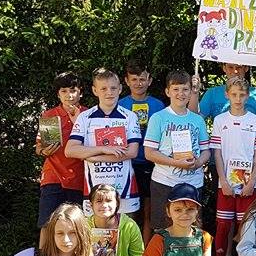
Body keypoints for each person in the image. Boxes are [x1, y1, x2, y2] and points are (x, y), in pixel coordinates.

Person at [210, 76, 256, 256]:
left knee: (246, 227)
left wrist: (252, 181)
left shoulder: (255, 121)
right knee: (223, 227)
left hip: (248, 185)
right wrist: (223, 181)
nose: (238, 98)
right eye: (234, 94)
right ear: (227, 95)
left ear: (248, 96)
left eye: (242, 95)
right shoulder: (219, 120)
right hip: (225, 184)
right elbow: (217, 154)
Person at [65, 67, 142, 215]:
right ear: (95, 90)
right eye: (104, 88)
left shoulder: (130, 117)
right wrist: (103, 149)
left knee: (125, 229)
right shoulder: (85, 117)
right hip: (94, 189)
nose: (109, 92)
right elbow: (70, 150)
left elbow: (132, 152)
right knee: (96, 229)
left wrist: (93, 157)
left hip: (124, 190)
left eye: (113, 88)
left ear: (120, 89)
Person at [144, 71, 211, 232]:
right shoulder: (158, 118)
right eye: (176, 89)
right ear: (168, 92)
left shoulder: (198, 120)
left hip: (193, 183)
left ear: (191, 92)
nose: (181, 93)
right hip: (165, 182)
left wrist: (198, 163)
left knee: (192, 229)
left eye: (185, 89)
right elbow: (149, 153)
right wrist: (175, 163)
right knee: (163, 230)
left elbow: (206, 151)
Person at [118, 59, 166, 244]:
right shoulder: (119, 105)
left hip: (151, 164)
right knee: (127, 212)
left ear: (149, 81)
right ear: (127, 81)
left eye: (142, 79)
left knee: (148, 211)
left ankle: (145, 254)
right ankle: (127, 250)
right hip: (125, 164)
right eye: (134, 79)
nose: (138, 83)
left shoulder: (158, 105)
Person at [35, 71, 87, 227]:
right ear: (58, 94)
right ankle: (44, 246)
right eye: (64, 91)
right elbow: (39, 147)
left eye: (73, 90)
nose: (69, 95)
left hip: (81, 178)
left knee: (77, 225)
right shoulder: (51, 115)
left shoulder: (88, 114)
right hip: (54, 176)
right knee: (47, 224)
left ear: (80, 92)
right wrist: (44, 151)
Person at [190, 62, 256, 152]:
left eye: (239, 67)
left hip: (250, 156)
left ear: (246, 68)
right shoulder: (212, 93)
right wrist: (194, 94)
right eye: (230, 67)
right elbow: (194, 120)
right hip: (219, 155)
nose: (235, 71)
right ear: (224, 68)